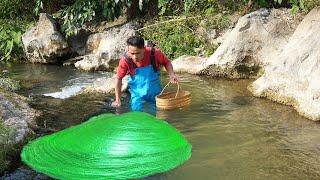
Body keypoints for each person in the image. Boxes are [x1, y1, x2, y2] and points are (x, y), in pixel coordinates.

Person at [111, 36, 178, 112]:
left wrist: (171, 75)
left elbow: (167, 62)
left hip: (155, 93)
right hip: (137, 95)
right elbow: (118, 78)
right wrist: (117, 100)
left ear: (144, 48)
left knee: (160, 113)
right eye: (132, 53)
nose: (135, 57)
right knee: (136, 113)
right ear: (128, 50)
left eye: (137, 53)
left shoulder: (154, 53)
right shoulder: (125, 60)